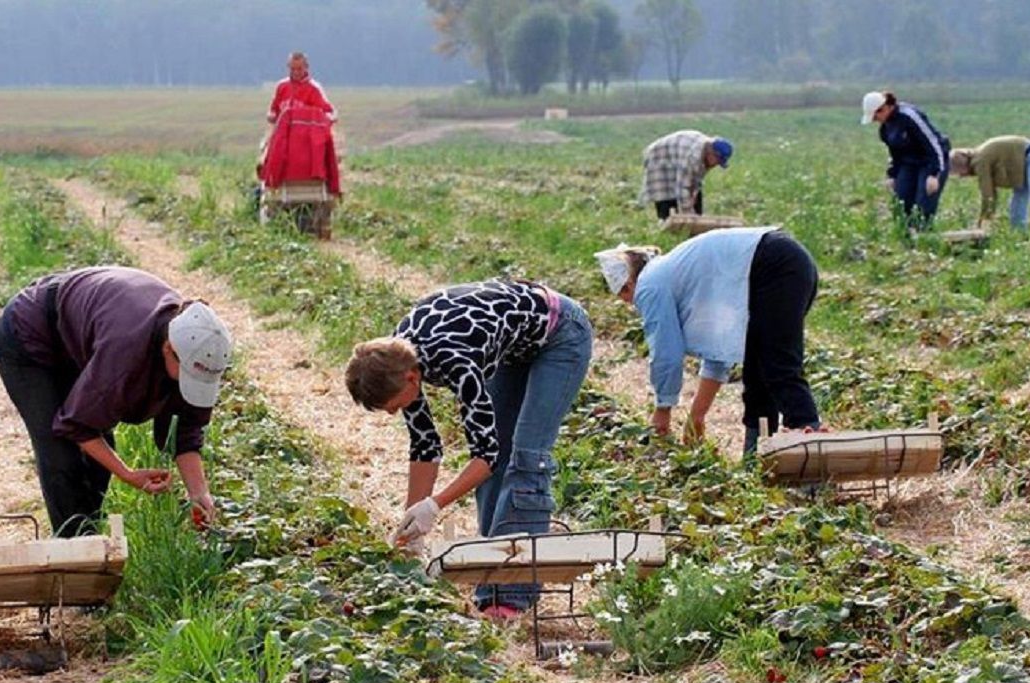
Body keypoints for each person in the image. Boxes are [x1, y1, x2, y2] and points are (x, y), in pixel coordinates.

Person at [345, 280, 592, 619]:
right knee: (498, 458)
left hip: (560, 333)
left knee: (525, 457)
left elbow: (485, 456)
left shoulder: (456, 360)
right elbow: (425, 444)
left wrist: (434, 505)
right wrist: (411, 521)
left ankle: (512, 593)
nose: (392, 412)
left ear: (412, 379)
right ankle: (493, 577)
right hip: (513, 345)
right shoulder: (396, 358)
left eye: (392, 405)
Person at [0, 266, 231, 537]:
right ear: (169, 349)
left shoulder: (195, 348)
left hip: (82, 339)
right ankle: (73, 555)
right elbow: (78, 426)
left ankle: (89, 538)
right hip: (29, 336)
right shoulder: (125, 355)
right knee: (63, 454)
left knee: (98, 458)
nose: (191, 382)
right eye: (188, 375)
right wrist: (127, 473)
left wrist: (199, 493)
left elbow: (186, 428)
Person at [595, 228, 821, 456]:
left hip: (774, 266)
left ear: (628, 285)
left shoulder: (649, 285)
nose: (629, 305)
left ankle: (813, 457)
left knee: (778, 366)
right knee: (758, 374)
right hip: (785, 260)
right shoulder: (681, 277)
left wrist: (663, 409)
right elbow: (718, 352)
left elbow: (666, 353)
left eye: (623, 298)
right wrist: (697, 416)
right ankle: (756, 464)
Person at [861, 91, 950, 230]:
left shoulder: (909, 116)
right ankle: (907, 241)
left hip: (929, 161)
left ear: (884, 108)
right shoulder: (885, 130)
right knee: (901, 204)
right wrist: (892, 175)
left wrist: (934, 174)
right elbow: (895, 154)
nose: (875, 120)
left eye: (876, 115)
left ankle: (924, 240)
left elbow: (933, 143)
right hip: (909, 163)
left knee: (923, 206)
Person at [949, 136, 1030, 239]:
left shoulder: (980, 162)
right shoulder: (979, 157)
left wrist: (983, 222)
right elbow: (991, 192)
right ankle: (1019, 236)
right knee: (1017, 204)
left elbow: (988, 195)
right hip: (1021, 163)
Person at [638, 130, 734, 220]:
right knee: (666, 197)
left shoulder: (704, 154)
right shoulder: (692, 157)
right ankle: (669, 225)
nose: (715, 165)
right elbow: (682, 186)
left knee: (693, 202)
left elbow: (695, 183)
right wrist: (688, 215)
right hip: (659, 158)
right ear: (712, 153)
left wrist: (694, 204)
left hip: (678, 153)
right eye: (717, 161)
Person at [267, 51, 336, 125]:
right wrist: (271, 116)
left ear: (306, 67)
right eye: (292, 69)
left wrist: (329, 118)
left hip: (306, 134)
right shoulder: (281, 86)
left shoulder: (314, 88)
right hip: (283, 133)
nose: (296, 72)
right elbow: (273, 110)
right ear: (288, 66)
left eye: (299, 69)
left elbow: (329, 112)